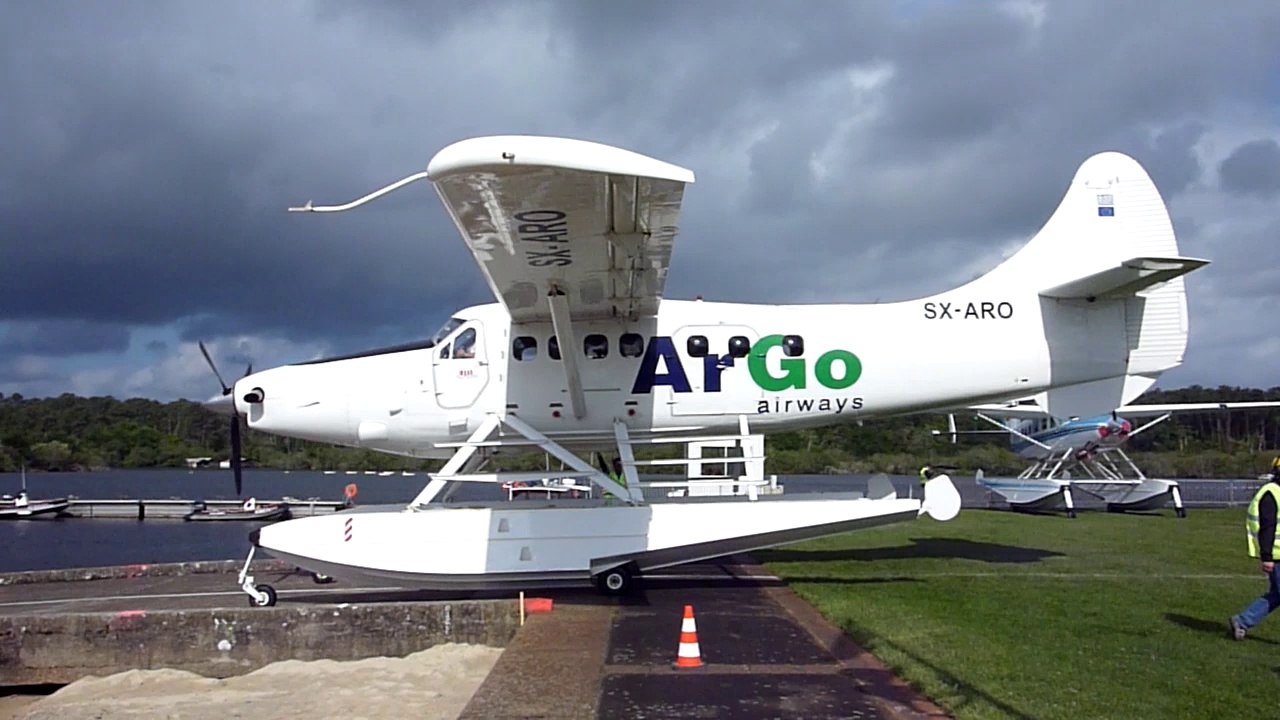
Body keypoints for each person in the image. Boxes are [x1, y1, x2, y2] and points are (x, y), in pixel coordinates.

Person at [1230, 457, 1280, 640]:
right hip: (1276, 554)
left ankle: (1243, 621)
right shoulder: (1271, 493)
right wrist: (1266, 556)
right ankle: (1243, 621)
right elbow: (1267, 526)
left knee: (1276, 594)